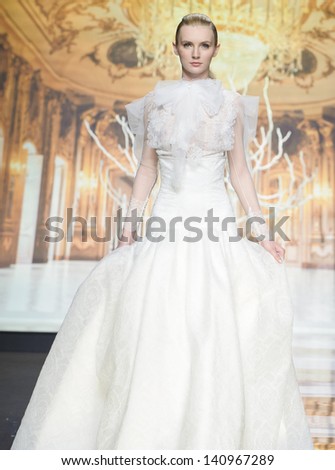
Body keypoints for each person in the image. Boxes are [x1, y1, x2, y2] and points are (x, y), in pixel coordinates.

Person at [11, 13, 313, 450]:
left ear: (215, 49)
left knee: (212, 323)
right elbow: (147, 167)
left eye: (203, 45)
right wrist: (131, 221)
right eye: (187, 44)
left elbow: (241, 173)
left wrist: (261, 229)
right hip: (166, 220)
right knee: (155, 319)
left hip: (215, 221)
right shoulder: (156, 102)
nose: (195, 53)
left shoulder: (230, 104)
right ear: (174, 48)